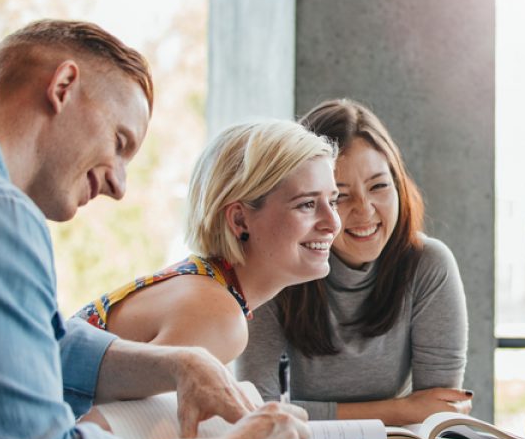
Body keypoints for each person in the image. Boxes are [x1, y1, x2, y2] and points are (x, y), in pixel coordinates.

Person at [0, 20, 311, 439]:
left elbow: (37, 345)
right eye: (120, 143)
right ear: (63, 88)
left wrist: (179, 363)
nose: (120, 185)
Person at [237, 99, 470, 426]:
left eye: (379, 186)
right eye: (340, 196)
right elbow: (259, 412)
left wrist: (412, 412)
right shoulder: (274, 267)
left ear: (399, 185)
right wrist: (400, 410)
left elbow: (438, 411)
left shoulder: (428, 265)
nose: (365, 210)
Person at [74, 119, 341, 364]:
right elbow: (101, 416)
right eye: (307, 204)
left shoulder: (206, 286)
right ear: (239, 220)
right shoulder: (217, 317)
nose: (333, 223)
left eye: (333, 201)